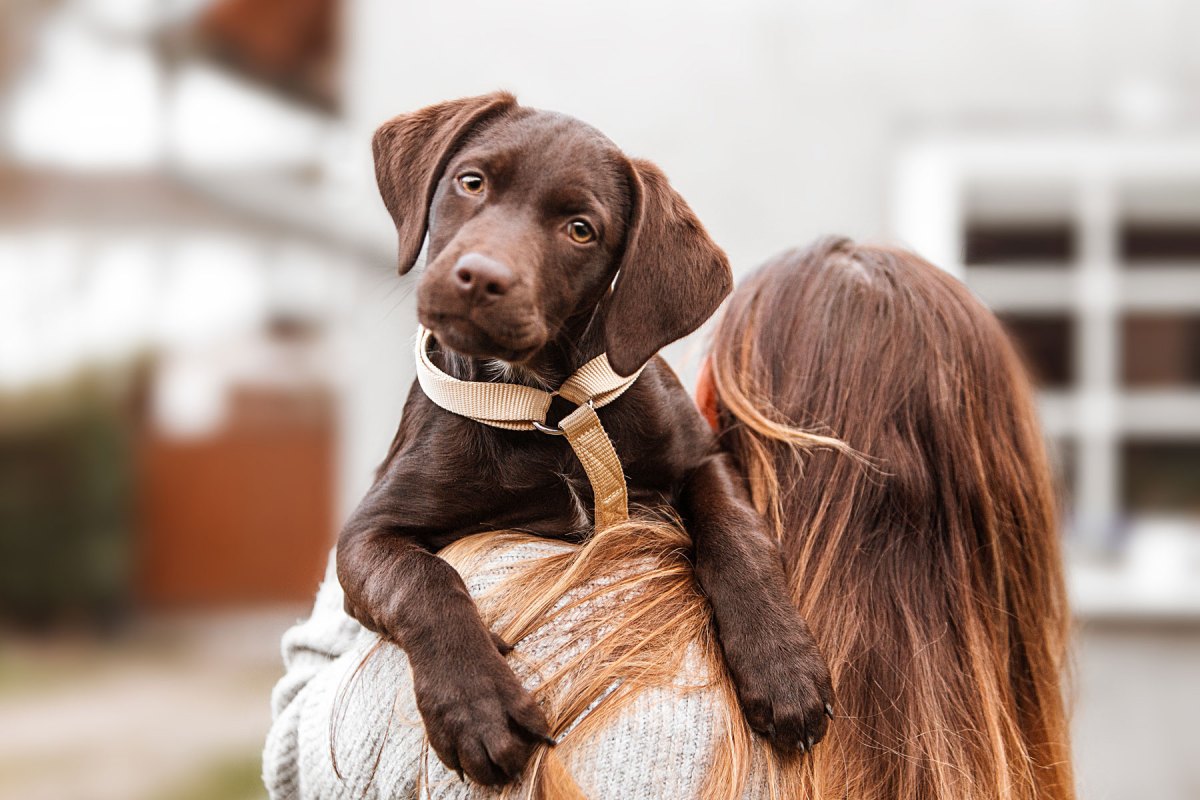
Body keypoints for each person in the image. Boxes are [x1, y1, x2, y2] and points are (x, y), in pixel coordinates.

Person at [263, 237, 1075, 800]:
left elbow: (302, 757)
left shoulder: (535, 639)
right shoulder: (988, 750)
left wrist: (386, 524)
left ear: (712, 404)